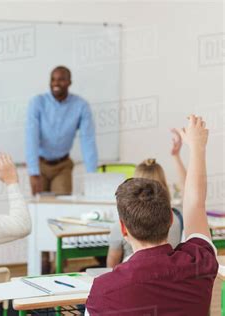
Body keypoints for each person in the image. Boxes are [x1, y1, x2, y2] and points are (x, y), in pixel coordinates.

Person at [86, 116, 218, 315]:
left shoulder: (103, 290)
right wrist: (197, 147)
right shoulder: (199, 262)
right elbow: (196, 204)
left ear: (124, 229)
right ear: (171, 218)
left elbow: (194, 204)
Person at [25, 66, 98, 195]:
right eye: (53, 79)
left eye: (61, 79)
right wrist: (33, 172)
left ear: (70, 82)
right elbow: (31, 138)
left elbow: (88, 140)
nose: (56, 83)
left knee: (61, 208)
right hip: (40, 165)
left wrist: (92, 176)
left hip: (62, 166)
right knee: (39, 208)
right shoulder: (37, 103)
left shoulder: (81, 106)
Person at [107, 158, 183, 267]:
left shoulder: (121, 225)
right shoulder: (178, 217)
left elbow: (111, 266)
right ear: (170, 218)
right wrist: (177, 156)